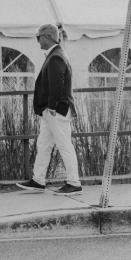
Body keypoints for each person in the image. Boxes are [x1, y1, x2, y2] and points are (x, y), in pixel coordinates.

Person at [16, 24, 82, 194]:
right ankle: (38, 180)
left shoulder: (55, 57)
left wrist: (51, 108)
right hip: (52, 111)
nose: (37, 41)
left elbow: (57, 85)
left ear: (47, 37)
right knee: (43, 144)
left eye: (38, 37)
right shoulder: (56, 55)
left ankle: (74, 183)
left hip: (56, 111)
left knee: (64, 145)